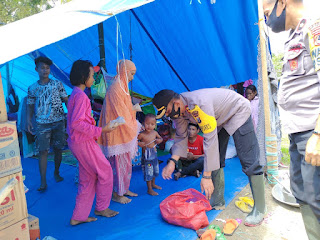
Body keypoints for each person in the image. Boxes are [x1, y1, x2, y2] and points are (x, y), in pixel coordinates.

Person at [153, 88, 265, 226]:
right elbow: (181, 137)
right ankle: (217, 201)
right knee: (216, 158)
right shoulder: (180, 112)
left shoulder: (199, 104)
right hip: (219, 119)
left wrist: (206, 177)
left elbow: (210, 140)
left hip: (237, 111)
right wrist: (172, 161)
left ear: (175, 102)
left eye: (169, 112)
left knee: (248, 159)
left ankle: (259, 209)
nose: (170, 116)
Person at [263, 0, 320, 238]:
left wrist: (318, 134)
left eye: (267, 12)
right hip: (297, 132)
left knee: (316, 195)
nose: (267, 19)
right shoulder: (292, 37)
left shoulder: (314, 29)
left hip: (312, 132)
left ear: (282, 2)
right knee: (303, 192)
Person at [67, 60, 119, 226]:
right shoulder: (81, 97)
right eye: (92, 75)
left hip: (77, 142)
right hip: (83, 143)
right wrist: (102, 130)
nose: (94, 78)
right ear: (84, 77)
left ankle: (79, 216)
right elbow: (77, 123)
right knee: (105, 171)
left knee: (88, 178)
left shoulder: (75, 93)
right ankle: (102, 207)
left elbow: (77, 122)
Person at [98, 59, 139, 204]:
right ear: (125, 72)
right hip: (117, 133)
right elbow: (120, 114)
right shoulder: (116, 88)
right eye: (132, 74)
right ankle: (117, 193)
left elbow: (124, 109)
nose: (132, 77)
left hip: (121, 131)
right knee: (118, 166)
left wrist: (132, 110)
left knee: (126, 164)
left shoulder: (122, 86)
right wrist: (133, 117)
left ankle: (124, 189)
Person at [27, 56, 68, 192]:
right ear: (36, 69)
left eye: (47, 68)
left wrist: (73, 117)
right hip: (42, 124)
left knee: (58, 149)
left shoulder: (57, 84)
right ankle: (43, 181)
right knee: (43, 151)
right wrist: (28, 120)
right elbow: (30, 106)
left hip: (58, 122)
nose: (45, 70)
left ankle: (56, 172)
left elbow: (66, 100)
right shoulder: (32, 88)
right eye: (42, 68)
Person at [137, 114, 163, 195]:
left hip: (154, 155)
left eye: (152, 124)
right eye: (147, 123)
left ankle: (153, 184)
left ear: (155, 125)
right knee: (148, 172)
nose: (149, 126)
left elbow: (160, 138)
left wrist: (160, 140)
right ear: (143, 123)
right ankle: (149, 189)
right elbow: (134, 141)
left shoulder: (155, 133)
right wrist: (139, 143)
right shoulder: (141, 134)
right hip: (146, 157)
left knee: (155, 170)